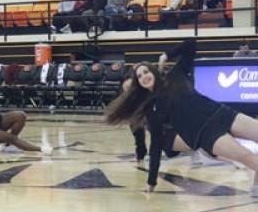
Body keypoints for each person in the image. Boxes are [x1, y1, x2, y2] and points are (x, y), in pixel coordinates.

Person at [107, 38, 258, 196]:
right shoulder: (152, 108)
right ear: (138, 84)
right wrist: (151, 181)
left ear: (153, 70)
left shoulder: (176, 74)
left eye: (146, 71)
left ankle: (256, 185)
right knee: (247, 156)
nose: (144, 76)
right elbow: (156, 146)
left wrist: (166, 56)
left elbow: (191, 44)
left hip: (222, 114)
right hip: (205, 135)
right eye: (139, 76)